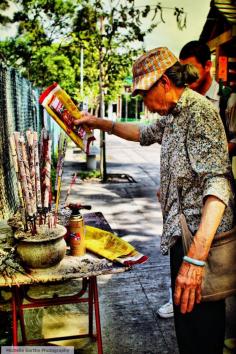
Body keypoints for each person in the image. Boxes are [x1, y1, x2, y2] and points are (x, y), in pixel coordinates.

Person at [74, 47, 235, 354]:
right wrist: (99, 123)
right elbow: (142, 133)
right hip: (181, 235)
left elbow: (218, 183)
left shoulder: (198, 112)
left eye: (143, 94)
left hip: (200, 240)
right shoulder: (172, 114)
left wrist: (196, 259)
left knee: (201, 331)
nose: (144, 103)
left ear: (163, 82)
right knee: (186, 326)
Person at [157, 40, 236, 319]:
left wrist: (211, 154)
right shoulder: (181, 105)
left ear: (207, 67)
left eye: (191, 67)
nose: (187, 74)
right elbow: (148, 133)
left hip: (216, 198)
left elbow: (217, 178)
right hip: (190, 213)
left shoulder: (219, 102)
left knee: (211, 285)